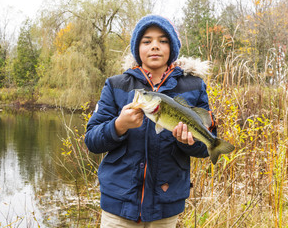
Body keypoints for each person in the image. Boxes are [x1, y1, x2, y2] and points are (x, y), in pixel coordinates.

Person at [85, 15, 216, 227]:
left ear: (172, 48)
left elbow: (204, 148)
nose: (155, 46)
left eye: (163, 41)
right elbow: (91, 140)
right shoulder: (116, 85)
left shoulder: (194, 87)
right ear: (137, 48)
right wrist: (119, 126)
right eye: (147, 41)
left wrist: (186, 141)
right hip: (118, 205)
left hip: (165, 204)